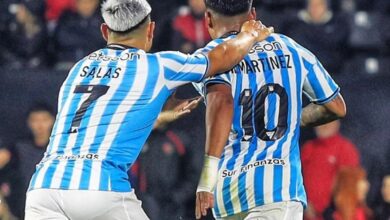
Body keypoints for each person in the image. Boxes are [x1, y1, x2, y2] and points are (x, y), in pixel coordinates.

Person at [24, 0, 273, 219]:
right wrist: (249, 34)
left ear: (104, 31)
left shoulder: (78, 68)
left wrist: (157, 114)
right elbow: (222, 57)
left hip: (43, 188)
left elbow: (95, 124)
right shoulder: (157, 64)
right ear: (151, 30)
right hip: (99, 187)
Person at [192, 0, 346, 219]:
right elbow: (336, 106)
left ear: (208, 18)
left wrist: (207, 179)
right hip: (276, 190)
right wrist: (295, 118)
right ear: (253, 15)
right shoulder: (291, 48)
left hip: (227, 193)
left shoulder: (209, 57)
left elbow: (221, 102)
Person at [301, 120, 360, 220]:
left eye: (328, 121)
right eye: (321, 121)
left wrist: (331, 210)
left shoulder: (345, 149)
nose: (324, 125)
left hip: (334, 214)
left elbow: (348, 187)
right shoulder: (308, 148)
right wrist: (304, 202)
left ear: (337, 123)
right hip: (307, 213)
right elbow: (297, 178)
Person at [285, 0, 349, 74]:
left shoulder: (339, 25)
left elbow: (336, 53)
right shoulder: (295, 27)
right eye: (311, 5)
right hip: (303, 74)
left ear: (326, 7)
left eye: (319, 5)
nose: (315, 8)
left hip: (332, 74)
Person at [53, 0, 105, 68]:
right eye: (82, 2)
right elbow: (61, 39)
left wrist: (78, 35)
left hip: (96, 64)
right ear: (75, 3)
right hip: (67, 62)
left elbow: (102, 40)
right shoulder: (66, 17)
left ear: (96, 3)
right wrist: (88, 37)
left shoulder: (103, 19)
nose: (86, 6)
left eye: (90, 2)